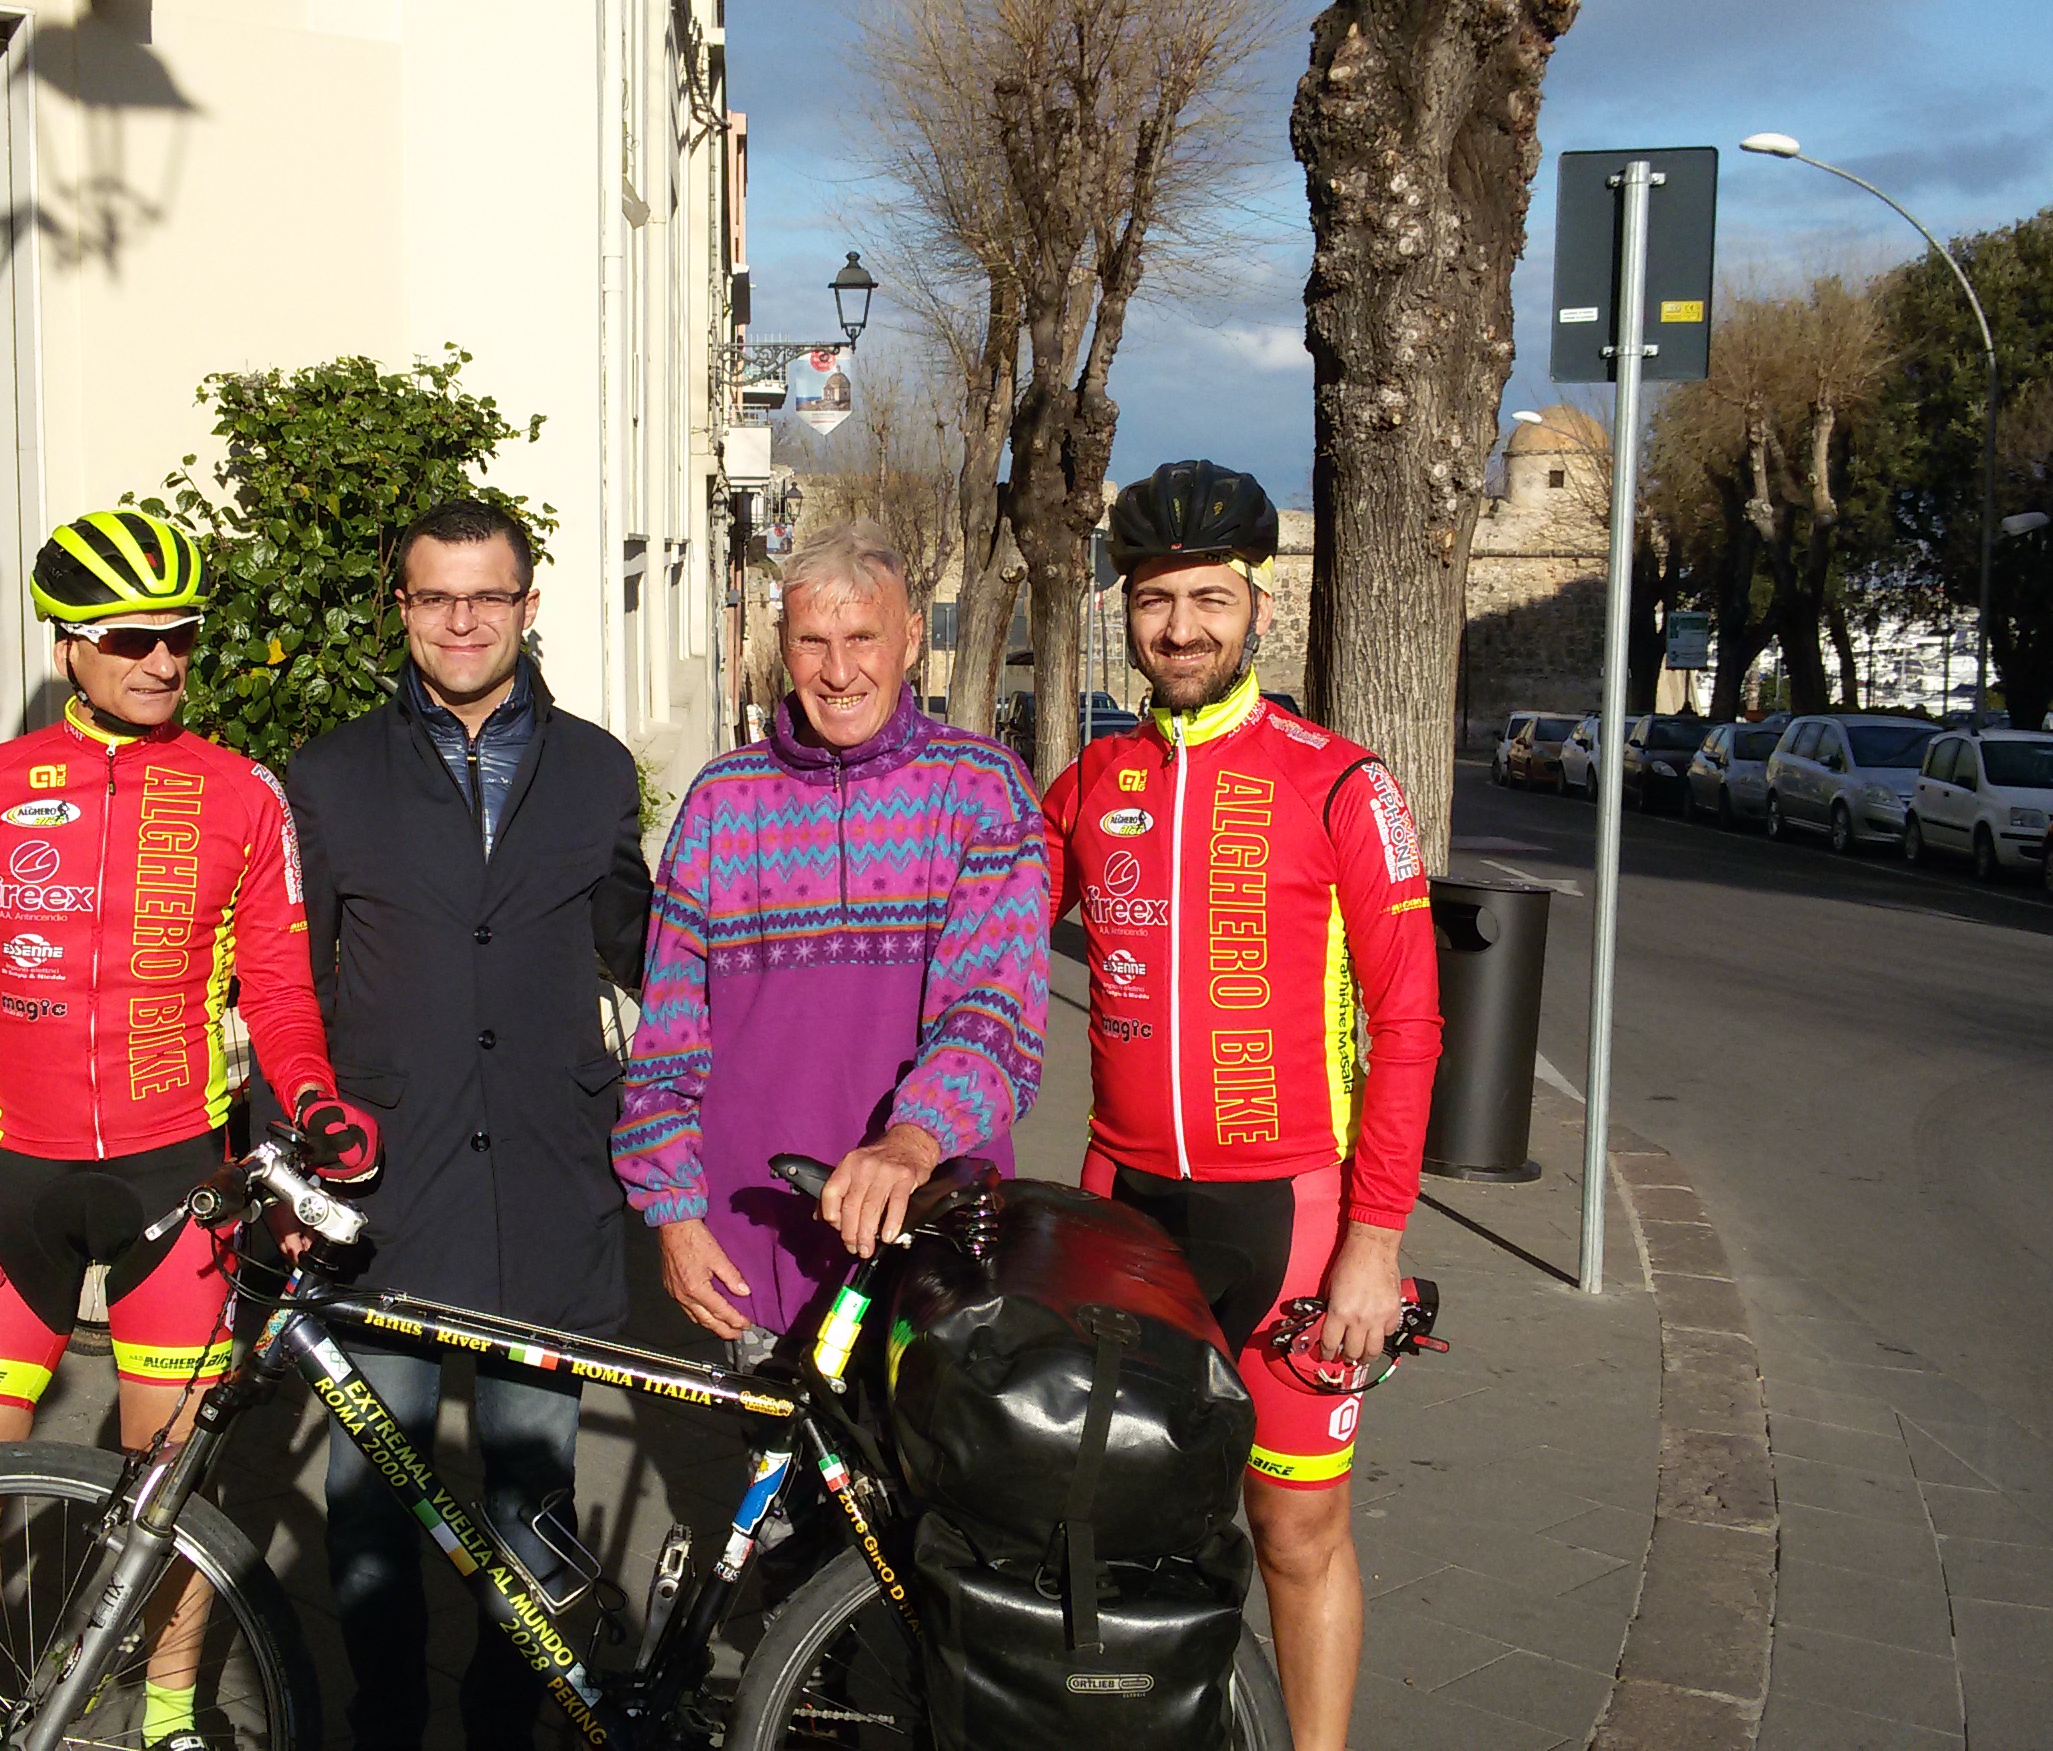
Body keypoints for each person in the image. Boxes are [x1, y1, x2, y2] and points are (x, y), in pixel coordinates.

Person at [0, 507, 381, 1751]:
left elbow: (278, 993)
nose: (163, 662)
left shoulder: (241, 794)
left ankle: (167, 1719)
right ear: (68, 648)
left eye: (183, 640)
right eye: (132, 638)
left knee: (177, 1492)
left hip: (182, 1184)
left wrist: (310, 1098)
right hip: (14, 1187)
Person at [1039, 460, 1444, 1751]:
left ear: (1260, 605)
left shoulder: (1341, 784)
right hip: (1126, 1211)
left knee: (1296, 1527)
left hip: (1290, 1219)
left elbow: (1413, 1025)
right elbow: (978, 914)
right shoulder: (1095, 782)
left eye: (1209, 598)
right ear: (1126, 613)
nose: (1182, 630)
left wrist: (1374, 1243)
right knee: (1125, 1519)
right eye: (1156, 602)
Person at [284, 497, 654, 1751]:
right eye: (435, 596)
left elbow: (643, 944)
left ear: (527, 605)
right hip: (385, 1189)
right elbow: (295, 988)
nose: (460, 620)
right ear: (402, 607)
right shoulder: (330, 774)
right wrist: (284, 1156)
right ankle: (384, 1722)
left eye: (486, 596)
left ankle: (509, 1724)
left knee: (531, 1480)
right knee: (373, 1493)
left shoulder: (599, 768)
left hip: (548, 1183)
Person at [616, 517, 1050, 1349]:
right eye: (813, 641)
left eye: (863, 637)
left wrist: (914, 1135)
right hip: (754, 1243)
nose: (839, 670)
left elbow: (998, 1008)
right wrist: (670, 1210)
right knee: (767, 1478)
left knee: (927, 1480)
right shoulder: (721, 801)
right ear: (784, 646)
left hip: (932, 1234)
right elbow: (670, 1032)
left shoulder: (980, 789)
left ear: (912, 639)